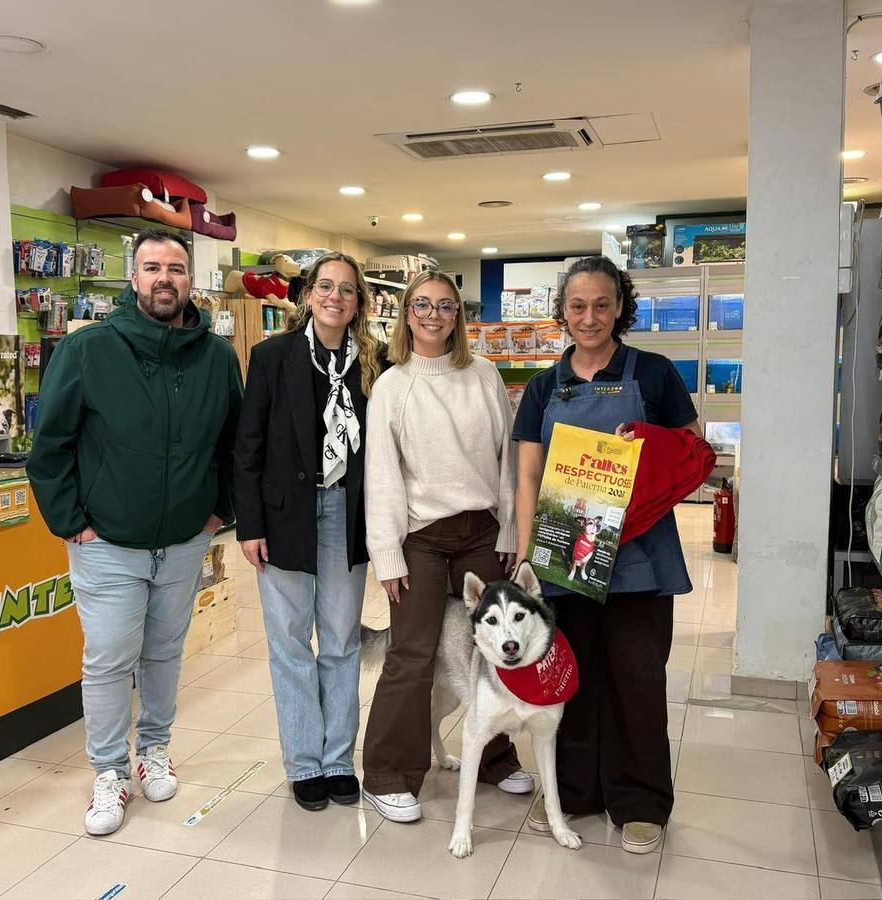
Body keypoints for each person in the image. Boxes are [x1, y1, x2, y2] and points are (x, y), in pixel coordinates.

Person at [28, 229, 243, 837]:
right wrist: (72, 523)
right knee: (108, 661)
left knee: (165, 652)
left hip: (184, 541)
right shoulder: (89, 349)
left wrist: (217, 512)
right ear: (134, 278)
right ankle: (109, 770)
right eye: (152, 268)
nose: (164, 279)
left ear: (189, 280)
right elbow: (50, 446)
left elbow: (235, 445)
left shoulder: (216, 357)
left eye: (175, 268)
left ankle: (154, 749)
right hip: (108, 544)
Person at [512, 255, 701, 855]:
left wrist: (644, 445)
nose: (589, 317)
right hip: (565, 553)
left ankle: (641, 801)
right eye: (577, 306)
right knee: (570, 679)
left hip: (641, 556)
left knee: (636, 681)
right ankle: (573, 790)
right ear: (562, 312)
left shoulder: (654, 374)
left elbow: (691, 450)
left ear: (620, 307)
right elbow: (527, 476)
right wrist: (527, 559)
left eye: (601, 304)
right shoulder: (544, 386)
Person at [361, 270, 533, 823]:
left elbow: (507, 460)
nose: (433, 315)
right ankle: (388, 775)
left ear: (458, 315)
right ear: (406, 314)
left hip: (482, 530)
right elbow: (382, 477)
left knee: (494, 646)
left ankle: (495, 757)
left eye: (444, 305)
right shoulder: (392, 386)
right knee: (411, 653)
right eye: (422, 305)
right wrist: (388, 555)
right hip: (422, 539)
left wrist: (509, 528)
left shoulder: (483, 374)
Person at [233, 251, 385, 811]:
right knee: (290, 642)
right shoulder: (272, 357)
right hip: (284, 517)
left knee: (341, 640)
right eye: (325, 286)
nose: (334, 297)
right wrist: (249, 525)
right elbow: (247, 447)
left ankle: (338, 759)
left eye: (346, 289)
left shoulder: (376, 362)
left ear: (359, 303)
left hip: (347, 512)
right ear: (307, 295)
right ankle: (303, 762)